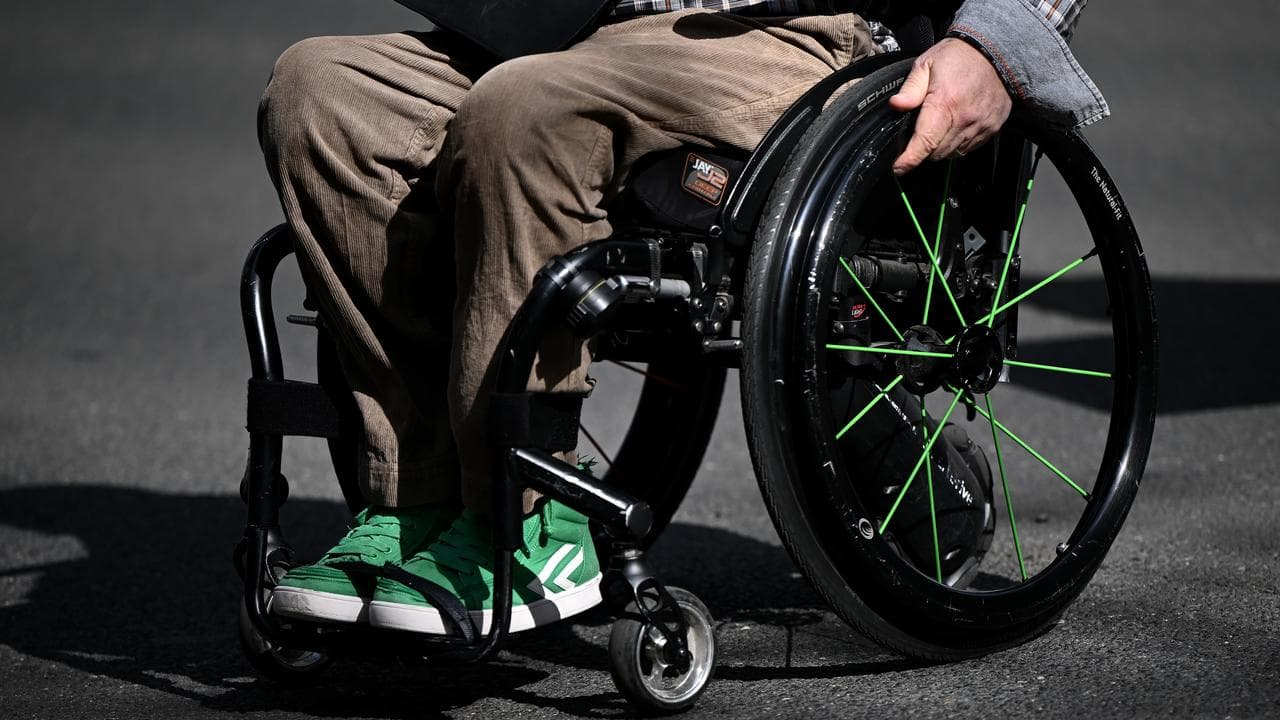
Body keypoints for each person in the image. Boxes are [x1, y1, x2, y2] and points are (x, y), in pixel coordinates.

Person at [258, 0, 1107, 636]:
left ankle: (523, 524)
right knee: (323, 93)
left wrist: (1001, 41)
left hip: (783, 33)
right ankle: (412, 508)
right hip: (580, 22)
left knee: (523, 110)